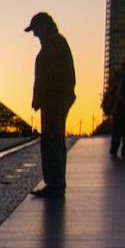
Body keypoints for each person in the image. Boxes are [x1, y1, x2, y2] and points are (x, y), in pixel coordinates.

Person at [25, 12, 75, 197]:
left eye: (36, 29)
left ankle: (54, 184)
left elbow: (49, 76)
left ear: (45, 26)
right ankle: (55, 182)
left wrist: (41, 97)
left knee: (51, 141)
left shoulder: (54, 44)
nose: (35, 34)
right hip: (54, 98)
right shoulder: (56, 43)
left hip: (54, 100)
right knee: (53, 140)